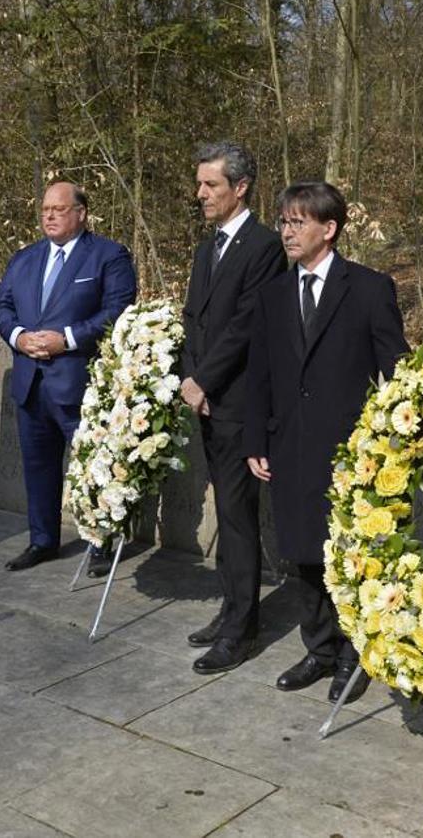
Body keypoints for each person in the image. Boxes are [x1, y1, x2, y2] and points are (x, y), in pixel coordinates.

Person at [244, 181, 407, 704]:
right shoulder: (271, 293)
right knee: (302, 553)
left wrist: (394, 442)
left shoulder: (368, 288)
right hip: (287, 446)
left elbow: (396, 373)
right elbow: (260, 374)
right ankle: (318, 648)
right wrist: (256, 438)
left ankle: (355, 656)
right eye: (284, 222)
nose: (286, 232)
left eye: (297, 223)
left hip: (350, 452)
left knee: (349, 556)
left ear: (328, 229)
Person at [0, 182, 137, 574]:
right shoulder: (25, 258)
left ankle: (101, 542)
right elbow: (1, 305)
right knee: (38, 466)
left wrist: (67, 339)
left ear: (81, 213)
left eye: (58, 208)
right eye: (44, 210)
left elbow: (119, 309)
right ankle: (42, 541)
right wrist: (19, 337)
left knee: (94, 467)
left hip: (80, 384)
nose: (50, 216)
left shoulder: (108, 255)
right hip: (30, 382)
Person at [181, 142, 286, 675]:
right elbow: (194, 320)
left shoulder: (264, 246)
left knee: (240, 520)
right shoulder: (207, 249)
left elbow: (247, 325)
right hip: (206, 401)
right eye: (200, 184)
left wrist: (204, 379)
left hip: (239, 403)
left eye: (211, 185)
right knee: (225, 513)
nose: (200, 194)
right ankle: (230, 610)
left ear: (240, 188)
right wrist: (186, 377)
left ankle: (241, 630)